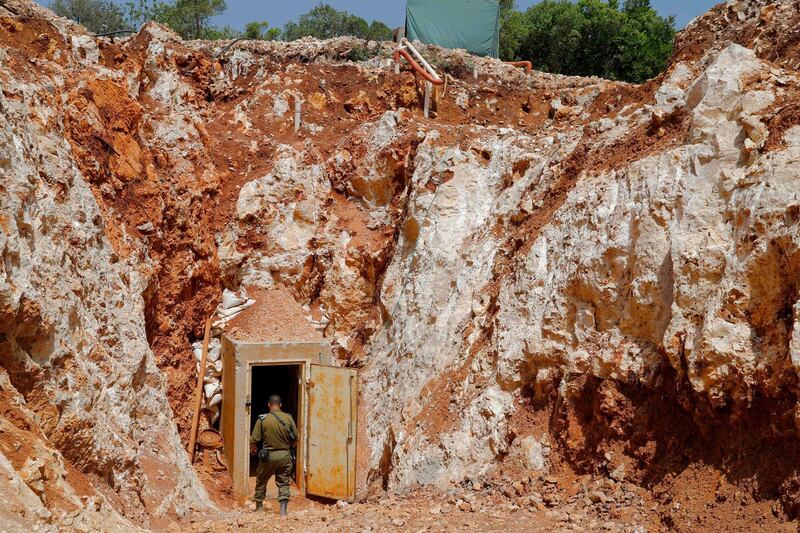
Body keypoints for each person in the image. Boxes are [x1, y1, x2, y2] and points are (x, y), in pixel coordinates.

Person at [250, 394, 299, 515]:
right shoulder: (288, 418)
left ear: (269, 405)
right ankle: (283, 511)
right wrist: (289, 446)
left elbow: (254, 439)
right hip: (284, 455)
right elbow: (296, 437)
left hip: (268, 456)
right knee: (283, 481)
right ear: (281, 405)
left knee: (261, 480)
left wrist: (253, 449)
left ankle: (259, 507)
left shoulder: (262, 419)